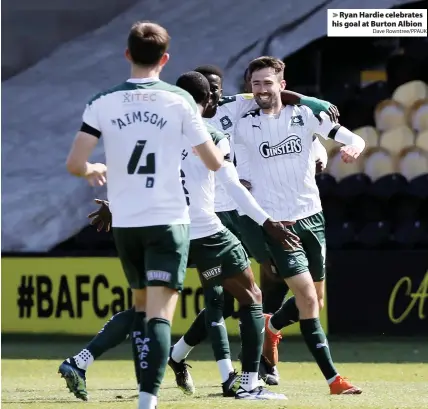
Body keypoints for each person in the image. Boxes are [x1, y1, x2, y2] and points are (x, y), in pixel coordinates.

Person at [64, 21, 224, 409]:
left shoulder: (102, 101)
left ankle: (90, 366)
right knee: (160, 316)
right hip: (168, 220)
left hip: (127, 224)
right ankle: (146, 404)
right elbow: (214, 163)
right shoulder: (179, 101)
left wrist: (93, 170)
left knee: (141, 309)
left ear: (127, 54)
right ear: (165, 59)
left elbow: (75, 163)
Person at [169, 65, 333, 387]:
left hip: (248, 212)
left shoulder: (241, 103)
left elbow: (282, 101)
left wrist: (314, 109)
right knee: (222, 299)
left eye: (219, 88)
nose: (216, 94)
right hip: (212, 216)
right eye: (210, 90)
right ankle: (231, 375)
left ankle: (255, 364)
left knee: (263, 286)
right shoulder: (188, 124)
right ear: (201, 96)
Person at [234, 56, 365, 395]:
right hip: (278, 226)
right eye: (256, 83)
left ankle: (272, 328)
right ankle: (334, 380)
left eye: (267, 82)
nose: (262, 89)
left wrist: (352, 148)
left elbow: (353, 138)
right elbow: (243, 180)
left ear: (281, 82)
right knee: (307, 298)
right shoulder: (244, 126)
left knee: (315, 300)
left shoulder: (306, 114)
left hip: (312, 217)